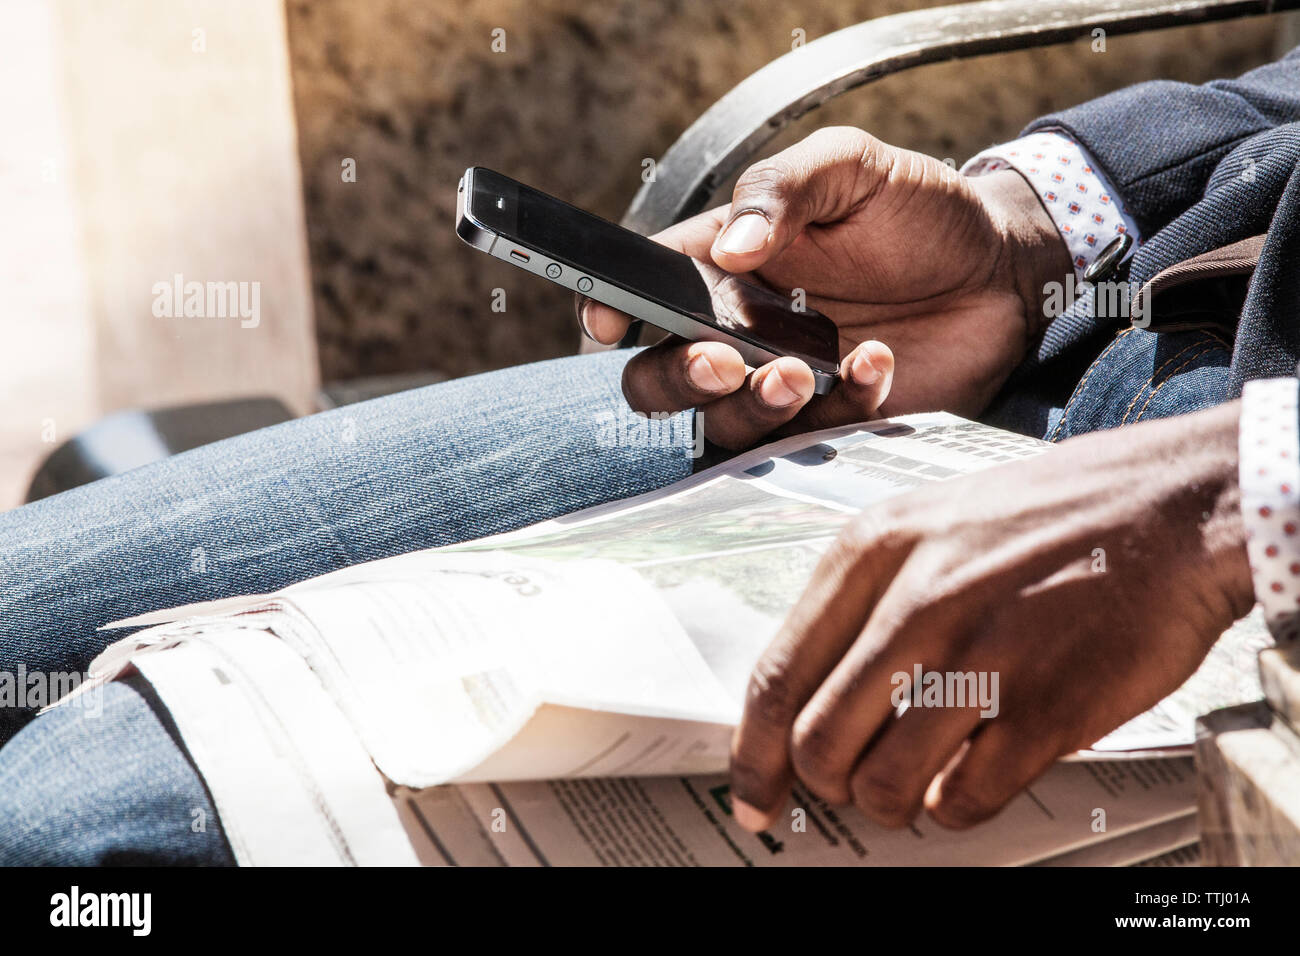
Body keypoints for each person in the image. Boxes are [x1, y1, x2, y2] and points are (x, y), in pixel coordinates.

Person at [3, 49, 1299, 864]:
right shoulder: (1015, 278)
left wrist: (1243, 487)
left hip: (1219, 558)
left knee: (72, 828)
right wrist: (1020, 233)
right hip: (1052, 341)